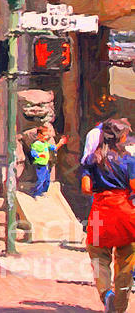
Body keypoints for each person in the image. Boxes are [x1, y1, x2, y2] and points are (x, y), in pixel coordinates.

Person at [81, 119, 135, 313]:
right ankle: (119, 306)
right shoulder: (129, 160)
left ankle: (106, 294)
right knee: (127, 258)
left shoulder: (91, 160)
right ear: (121, 137)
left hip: (100, 212)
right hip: (125, 213)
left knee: (98, 256)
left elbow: (86, 188)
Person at [30, 125, 68, 198]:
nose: (46, 137)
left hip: (46, 164)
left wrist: (61, 143)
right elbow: (33, 153)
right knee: (41, 180)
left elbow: (54, 148)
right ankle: (36, 193)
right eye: (44, 135)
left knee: (47, 180)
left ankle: (43, 192)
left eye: (47, 136)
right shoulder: (36, 144)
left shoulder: (45, 144)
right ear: (39, 135)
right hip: (40, 165)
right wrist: (40, 155)